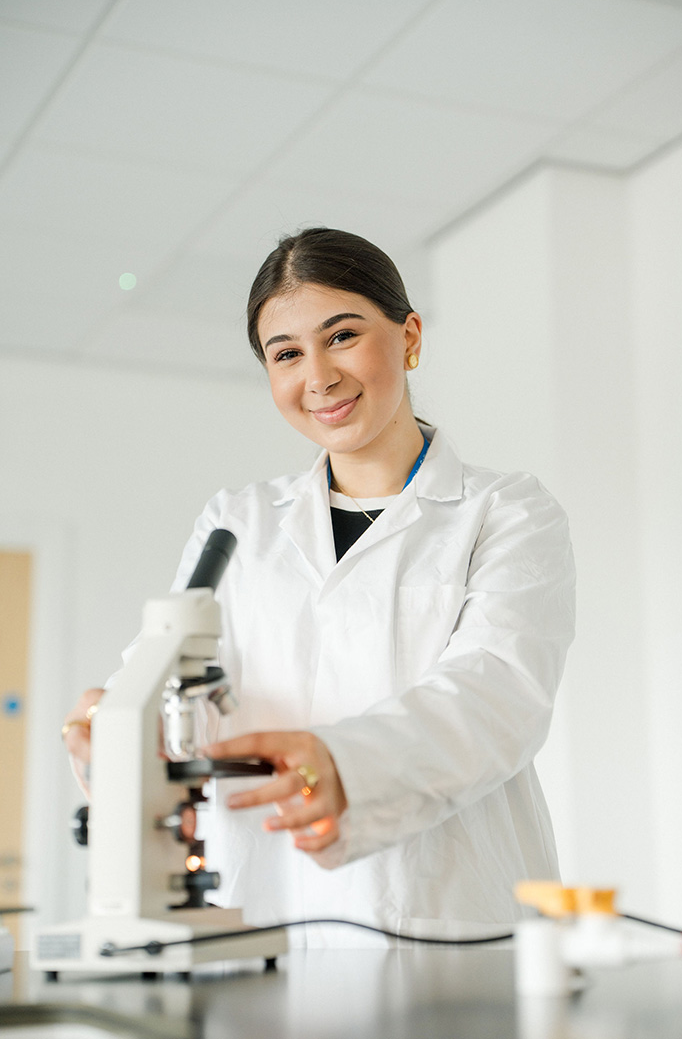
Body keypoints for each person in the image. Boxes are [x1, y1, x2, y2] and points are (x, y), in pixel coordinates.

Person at [62, 227, 575, 946]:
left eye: (342, 336)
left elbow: (496, 698)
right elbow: (177, 679)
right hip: (258, 907)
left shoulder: (507, 512)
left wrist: (347, 765)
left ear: (409, 337)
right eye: (287, 354)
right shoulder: (235, 523)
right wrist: (121, 726)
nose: (319, 377)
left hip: (444, 907)